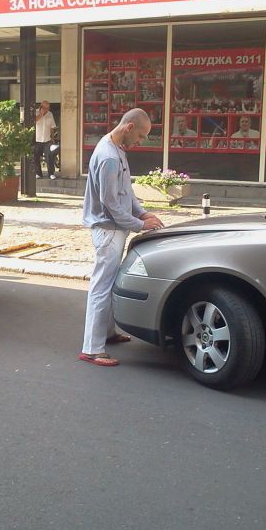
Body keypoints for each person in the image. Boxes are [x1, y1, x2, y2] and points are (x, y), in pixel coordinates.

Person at [80, 108, 164, 367]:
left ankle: (106, 334)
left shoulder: (117, 150)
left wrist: (143, 212)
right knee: (101, 288)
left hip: (114, 228)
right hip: (108, 231)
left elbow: (126, 193)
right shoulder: (109, 157)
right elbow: (111, 205)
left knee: (107, 285)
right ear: (128, 127)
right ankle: (92, 349)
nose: (141, 142)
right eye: (140, 135)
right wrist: (140, 224)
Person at [34, 100, 57, 179]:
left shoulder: (50, 114)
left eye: (48, 108)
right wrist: (41, 114)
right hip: (37, 139)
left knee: (49, 156)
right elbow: (33, 121)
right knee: (36, 156)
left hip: (47, 139)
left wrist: (53, 138)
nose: (47, 109)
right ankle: (38, 173)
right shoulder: (36, 113)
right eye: (45, 108)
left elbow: (52, 127)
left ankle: (51, 173)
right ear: (41, 107)